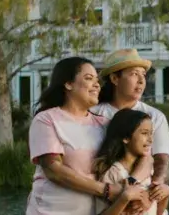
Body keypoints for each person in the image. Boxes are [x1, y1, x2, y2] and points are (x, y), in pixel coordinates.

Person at [27, 57, 151, 215]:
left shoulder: (105, 123)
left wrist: (134, 187)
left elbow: (146, 156)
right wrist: (106, 190)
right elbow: (53, 170)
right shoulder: (46, 119)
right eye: (88, 78)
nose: (97, 84)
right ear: (68, 84)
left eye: (97, 80)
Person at [91, 49, 169, 187]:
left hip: (143, 190)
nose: (141, 81)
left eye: (143, 75)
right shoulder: (93, 113)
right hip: (101, 189)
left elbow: (161, 157)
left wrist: (157, 184)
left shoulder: (155, 116)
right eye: (134, 74)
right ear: (115, 79)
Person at [94, 109, 169, 215]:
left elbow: (158, 212)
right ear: (126, 138)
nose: (151, 140)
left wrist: (166, 194)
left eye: (151, 134)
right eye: (144, 133)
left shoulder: (150, 170)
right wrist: (124, 199)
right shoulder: (112, 173)